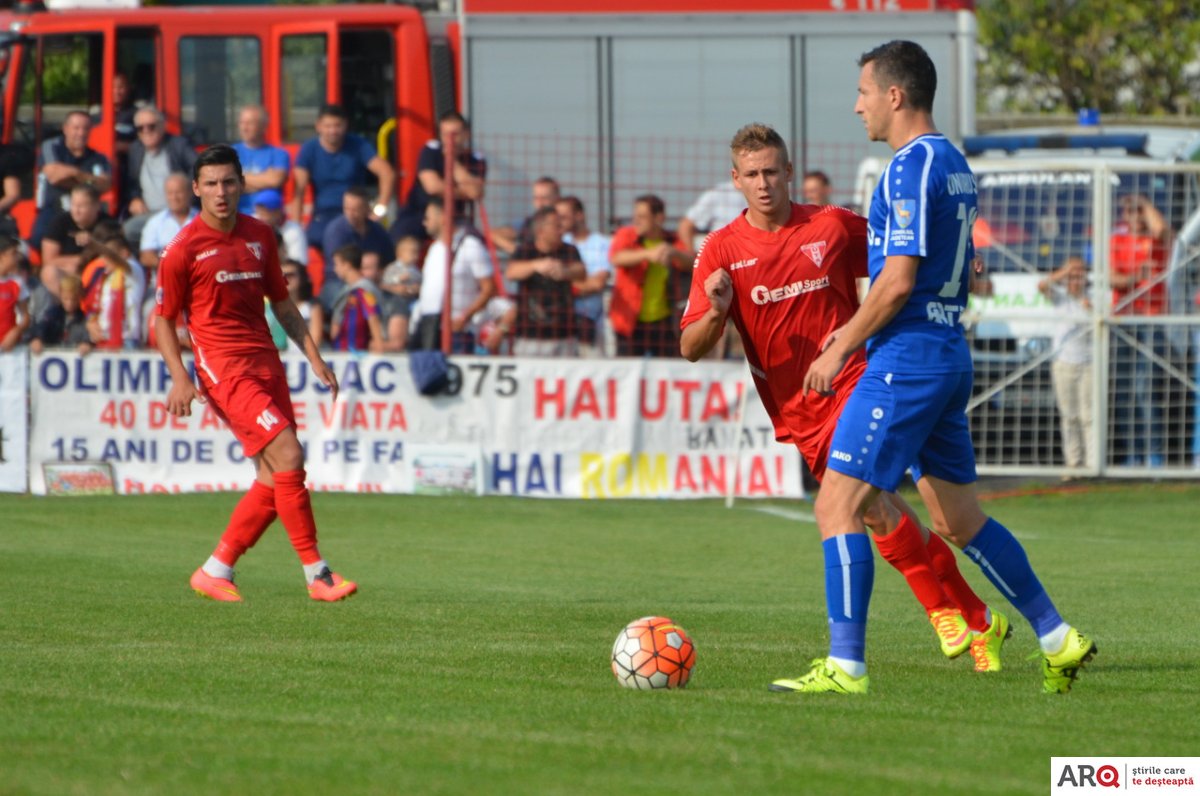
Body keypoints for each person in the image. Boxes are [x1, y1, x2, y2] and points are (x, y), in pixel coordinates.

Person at [797, 40, 1094, 695]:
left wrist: (840, 345)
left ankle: (846, 667)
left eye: (863, 93)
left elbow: (898, 281)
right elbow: (958, 263)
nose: (857, 106)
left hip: (905, 360)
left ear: (894, 95)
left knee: (837, 505)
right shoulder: (955, 162)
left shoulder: (909, 167)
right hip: (946, 354)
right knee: (958, 521)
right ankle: (1056, 637)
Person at [681, 122, 1005, 676]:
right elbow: (690, 347)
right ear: (735, 179)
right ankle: (978, 617)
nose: (763, 183)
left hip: (854, 381)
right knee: (881, 513)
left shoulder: (829, 226)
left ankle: (937, 614)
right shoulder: (720, 250)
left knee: (864, 507)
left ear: (789, 171)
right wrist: (716, 310)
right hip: (797, 408)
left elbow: (904, 247)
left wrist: (963, 254)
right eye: (752, 174)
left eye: (771, 171)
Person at [155, 144, 356, 603]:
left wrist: (314, 357)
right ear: (196, 189)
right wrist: (180, 377)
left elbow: (282, 304)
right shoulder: (182, 249)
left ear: (242, 185)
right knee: (289, 454)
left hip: (266, 364)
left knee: (272, 476)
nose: (221, 192)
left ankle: (215, 570)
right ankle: (318, 574)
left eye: (228, 182)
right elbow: (162, 319)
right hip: (224, 370)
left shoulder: (260, 236)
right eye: (211, 183)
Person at [1110, 193, 1171, 467]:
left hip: (1151, 319)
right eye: (1129, 211)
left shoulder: (1157, 241)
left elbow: (1163, 230)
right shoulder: (1117, 240)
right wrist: (1136, 277)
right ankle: (1133, 454)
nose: (1134, 215)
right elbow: (1112, 278)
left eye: (1138, 211)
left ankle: (1153, 454)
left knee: (1145, 389)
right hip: (1124, 320)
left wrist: (1144, 203)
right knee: (1124, 391)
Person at [291, 104, 395, 249]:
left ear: (346, 125)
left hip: (357, 213)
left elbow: (386, 172)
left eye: (337, 125)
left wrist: (380, 210)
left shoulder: (358, 145)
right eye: (328, 126)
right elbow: (298, 190)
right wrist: (296, 227)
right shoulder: (309, 149)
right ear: (318, 126)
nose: (333, 131)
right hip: (324, 214)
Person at [608, 194, 692, 357]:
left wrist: (674, 253)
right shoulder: (626, 235)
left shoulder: (671, 240)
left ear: (659, 218)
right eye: (635, 216)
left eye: (642, 217)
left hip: (664, 322)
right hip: (630, 321)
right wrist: (648, 254)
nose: (636, 221)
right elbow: (616, 257)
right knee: (628, 369)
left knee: (666, 368)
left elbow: (693, 262)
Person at [412, 197, 495, 353]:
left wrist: (465, 317)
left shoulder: (470, 245)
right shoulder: (435, 248)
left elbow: (489, 288)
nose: (424, 222)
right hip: (430, 326)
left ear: (443, 217)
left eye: (428, 217)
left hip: (457, 331)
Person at [393, 111, 487, 242]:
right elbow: (432, 187)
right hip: (418, 213)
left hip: (454, 217)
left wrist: (453, 162)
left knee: (473, 241)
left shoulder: (475, 160)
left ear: (466, 134)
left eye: (455, 134)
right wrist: (464, 192)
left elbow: (476, 192)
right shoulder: (431, 151)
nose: (450, 139)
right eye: (445, 134)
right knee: (399, 239)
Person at [1038, 256, 1093, 473]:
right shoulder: (1060, 297)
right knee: (1069, 416)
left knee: (1089, 416)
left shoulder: (1094, 297)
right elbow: (1042, 286)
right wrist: (1065, 271)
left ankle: (1092, 464)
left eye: (1080, 275)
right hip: (1063, 362)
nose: (1076, 280)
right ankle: (1074, 463)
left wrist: (1090, 308)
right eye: (1072, 276)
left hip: (1089, 363)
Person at [506, 206, 585, 357]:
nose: (561, 230)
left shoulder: (569, 250)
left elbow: (581, 272)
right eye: (556, 226)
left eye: (561, 225)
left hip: (564, 335)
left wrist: (565, 271)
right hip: (530, 336)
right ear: (541, 231)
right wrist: (535, 265)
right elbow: (511, 272)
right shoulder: (525, 251)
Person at [32, 111, 112, 248]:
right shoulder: (51, 146)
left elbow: (105, 185)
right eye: (76, 128)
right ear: (65, 129)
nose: (81, 133)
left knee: (106, 239)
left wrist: (75, 173)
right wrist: (88, 181)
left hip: (87, 213)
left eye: (85, 128)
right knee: (39, 240)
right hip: (53, 208)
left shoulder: (99, 158)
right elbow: (54, 177)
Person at [122, 106, 198, 245]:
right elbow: (132, 182)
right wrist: (135, 198)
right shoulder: (135, 149)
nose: (146, 131)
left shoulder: (179, 144)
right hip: (150, 214)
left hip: (181, 211)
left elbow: (198, 168)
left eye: (151, 126)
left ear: (163, 126)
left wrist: (186, 192)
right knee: (128, 230)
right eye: (140, 128)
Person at [557, 196, 611, 357]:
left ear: (579, 215)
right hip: (561, 323)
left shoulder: (601, 244)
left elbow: (597, 283)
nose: (559, 222)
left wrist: (563, 286)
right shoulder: (560, 243)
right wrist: (581, 284)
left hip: (590, 322)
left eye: (564, 217)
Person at [80, 224, 145, 350]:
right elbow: (94, 307)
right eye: (103, 255)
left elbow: (119, 261)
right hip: (103, 340)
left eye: (107, 255)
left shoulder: (133, 270)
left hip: (127, 341)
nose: (104, 260)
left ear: (124, 253)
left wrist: (94, 245)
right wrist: (91, 324)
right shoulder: (105, 277)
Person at [40, 184, 113, 296]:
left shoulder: (108, 224)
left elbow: (116, 253)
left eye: (82, 206)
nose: (76, 210)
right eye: (73, 205)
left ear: (96, 206)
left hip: (100, 271)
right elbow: (48, 260)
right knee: (49, 272)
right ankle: (69, 303)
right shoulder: (60, 222)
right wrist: (78, 261)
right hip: (70, 274)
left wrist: (93, 244)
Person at [327, 244, 385, 354]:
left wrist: (379, 346)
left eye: (337, 264)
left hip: (357, 353)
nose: (335, 269)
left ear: (347, 265)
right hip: (341, 351)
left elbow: (373, 317)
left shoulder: (364, 290)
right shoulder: (346, 290)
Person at [232, 104, 290, 214]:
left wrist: (240, 178)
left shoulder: (278, 154)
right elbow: (228, 185)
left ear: (263, 126)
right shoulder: (230, 153)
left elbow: (275, 180)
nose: (244, 128)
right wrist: (264, 180)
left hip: (268, 217)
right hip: (238, 215)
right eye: (242, 123)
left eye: (250, 123)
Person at [322, 186, 394, 267]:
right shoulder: (336, 232)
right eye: (347, 209)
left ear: (366, 209)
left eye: (355, 210)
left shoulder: (377, 231)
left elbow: (390, 260)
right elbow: (338, 266)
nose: (350, 214)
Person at [139, 172, 197, 270]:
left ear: (190, 193)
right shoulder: (155, 222)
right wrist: (172, 267)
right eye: (170, 193)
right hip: (166, 275)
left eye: (178, 192)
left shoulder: (202, 219)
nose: (174, 198)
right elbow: (146, 256)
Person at [491, 176, 560, 256]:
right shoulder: (528, 224)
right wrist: (520, 253)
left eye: (544, 198)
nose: (540, 203)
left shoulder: (566, 223)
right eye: (536, 198)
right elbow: (492, 235)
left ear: (557, 199)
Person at [30, 273, 91, 355]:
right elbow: (42, 326)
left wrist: (87, 343)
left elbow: (88, 337)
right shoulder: (52, 314)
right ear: (60, 295)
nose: (69, 303)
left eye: (74, 299)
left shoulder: (84, 319)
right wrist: (37, 338)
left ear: (80, 297)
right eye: (66, 299)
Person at [677, 179, 746, 252]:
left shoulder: (754, 195)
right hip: (721, 251)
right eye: (750, 174)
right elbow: (686, 224)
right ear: (735, 175)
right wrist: (691, 252)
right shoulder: (717, 193)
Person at [251, 189, 307, 267]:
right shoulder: (252, 223)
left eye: (266, 212)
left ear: (278, 212)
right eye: (259, 211)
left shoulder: (294, 231)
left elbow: (298, 265)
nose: (261, 217)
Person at [279, 259, 324, 350]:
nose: (286, 279)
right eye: (282, 275)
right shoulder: (273, 307)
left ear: (301, 277)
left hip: (304, 356)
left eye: (291, 275)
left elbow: (316, 340)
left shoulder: (312, 307)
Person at [0, 235, 29, 352]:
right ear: (2, 255)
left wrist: (16, 332)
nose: (17, 258)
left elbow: (25, 316)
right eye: (14, 253)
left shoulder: (17, 282)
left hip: (10, 347)